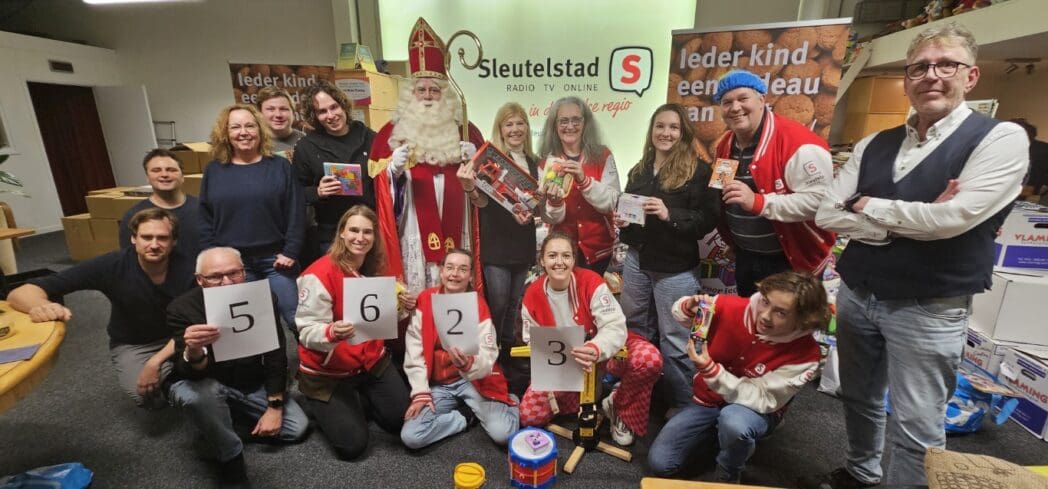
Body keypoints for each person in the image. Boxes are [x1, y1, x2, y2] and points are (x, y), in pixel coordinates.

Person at [805, 23, 1029, 488]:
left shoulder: (999, 139)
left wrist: (867, 204)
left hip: (929, 307)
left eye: (946, 65)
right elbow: (827, 212)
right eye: (919, 67)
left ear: (970, 76)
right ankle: (861, 473)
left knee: (917, 426)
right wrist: (914, 218)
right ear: (906, 79)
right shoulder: (875, 143)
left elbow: (953, 219)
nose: (931, 76)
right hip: (858, 293)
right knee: (859, 398)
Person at [648, 271, 826, 483]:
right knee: (661, 463)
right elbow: (680, 314)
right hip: (707, 398)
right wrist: (689, 306)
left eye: (781, 313)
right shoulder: (731, 306)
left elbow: (763, 399)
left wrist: (711, 370)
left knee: (734, 423)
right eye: (765, 302)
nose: (765, 316)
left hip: (754, 408)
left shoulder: (807, 355)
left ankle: (729, 471)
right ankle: (720, 435)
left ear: (803, 320)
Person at [8, 208, 195, 408]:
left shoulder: (191, 268)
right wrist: (42, 306)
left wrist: (155, 362)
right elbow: (19, 293)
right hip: (135, 343)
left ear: (174, 241)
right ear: (133, 238)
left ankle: (181, 378)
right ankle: (179, 382)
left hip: (180, 334)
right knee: (146, 396)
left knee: (212, 366)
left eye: (162, 238)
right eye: (146, 237)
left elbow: (197, 322)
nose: (154, 244)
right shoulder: (111, 265)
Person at [168, 247, 308, 486]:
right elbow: (189, 371)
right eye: (215, 277)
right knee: (198, 396)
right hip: (205, 380)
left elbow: (275, 353)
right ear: (200, 279)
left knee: (297, 428)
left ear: (244, 272)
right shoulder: (181, 309)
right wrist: (194, 350)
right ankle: (230, 457)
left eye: (234, 273)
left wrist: (274, 406)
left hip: (247, 379)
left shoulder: (263, 297)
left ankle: (219, 426)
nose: (226, 282)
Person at [369, 17, 485, 295]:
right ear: (411, 95)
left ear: (446, 95)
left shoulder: (467, 130)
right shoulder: (390, 133)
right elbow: (380, 192)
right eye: (421, 90)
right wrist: (392, 171)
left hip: (458, 223)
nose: (428, 96)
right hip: (413, 225)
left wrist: (477, 163)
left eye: (435, 90)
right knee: (420, 281)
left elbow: (487, 193)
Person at [617, 103, 720, 409]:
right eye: (660, 126)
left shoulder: (699, 171)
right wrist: (623, 221)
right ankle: (638, 397)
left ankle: (683, 406)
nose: (666, 133)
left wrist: (668, 213)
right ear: (651, 131)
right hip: (637, 261)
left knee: (675, 340)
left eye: (673, 127)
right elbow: (631, 213)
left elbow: (707, 220)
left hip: (674, 269)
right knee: (636, 331)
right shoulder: (640, 168)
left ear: (683, 132)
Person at [518, 232, 661, 446]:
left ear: (573, 259)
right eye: (552, 256)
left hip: (606, 352)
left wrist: (596, 347)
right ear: (542, 260)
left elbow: (614, 325)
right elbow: (531, 340)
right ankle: (586, 393)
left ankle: (619, 405)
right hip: (565, 365)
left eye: (566, 256)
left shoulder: (591, 281)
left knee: (649, 359)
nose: (559, 262)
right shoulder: (532, 293)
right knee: (530, 416)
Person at [294, 205, 410, 460]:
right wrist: (331, 331)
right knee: (352, 446)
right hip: (329, 371)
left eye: (367, 232)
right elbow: (306, 332)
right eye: (354, 230)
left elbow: (378, 320)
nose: (360, 237)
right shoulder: (318, 274)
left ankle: (359, 399)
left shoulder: (375, 267)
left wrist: (402, 308)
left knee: (400, 421)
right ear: (342, 233)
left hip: (370, 361)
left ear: (375, 237)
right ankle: (322, 401)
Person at [711, 69, 835, 297]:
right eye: (727, 102)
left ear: (762, 100)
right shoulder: (725, 144)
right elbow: (723, 194)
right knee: (750, 316)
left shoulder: (798, 141)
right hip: (746, 257)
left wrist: (758, 202)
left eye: (743, 98)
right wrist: (733, 239)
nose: (735, 107)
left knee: (787, 319)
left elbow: (821, 202)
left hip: (790, 262)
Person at [199, 104, 305, 333]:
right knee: (252, 329)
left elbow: (296, 211)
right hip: (233, 267)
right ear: (225, 133)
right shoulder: (214, 170)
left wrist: (291, 251)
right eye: (235, 127)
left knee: (297, 319)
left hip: (277, 261)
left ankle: (311, 358)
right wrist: (213, 257)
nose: (243, 132)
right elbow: (205, 217)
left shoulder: (280, 166)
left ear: (260, 130)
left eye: (250, 126)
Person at [456, 102, 539, 392]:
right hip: (497, 243)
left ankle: (507, 353)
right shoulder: (489, 160)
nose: (515, 129)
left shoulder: (535, 162)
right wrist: (469, 187)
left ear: (527, 127)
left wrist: (534, 210)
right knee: (499, 302)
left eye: (520, 123)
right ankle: (490, 352)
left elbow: (536, 204)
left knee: (515, 304)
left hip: (523, 242)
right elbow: (481, 202)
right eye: (509, 124)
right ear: (500, 129)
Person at [401, 248, 519, 448]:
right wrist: (420, 391)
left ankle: (511, 400)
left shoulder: (478, 305)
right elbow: (414, 350)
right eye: (450, 267)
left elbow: (489, 353)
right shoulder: (425, 299)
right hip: (439, 384)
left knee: (503, 434)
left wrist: (469, 364)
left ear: (470, 275)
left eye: (463, 269)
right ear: (441, 271)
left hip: (472, 380)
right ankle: (465, 416)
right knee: (412, 436)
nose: (455, 274)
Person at [293, 80, 377, 265]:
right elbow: (295, 192)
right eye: (322, 111)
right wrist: (317, 191)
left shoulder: (370, 138)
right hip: (332, 234)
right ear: (314, 116)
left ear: (343, 105)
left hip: (369, 231)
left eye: (334, 107)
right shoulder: (306, 147)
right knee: (337, 281)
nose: (331, 115)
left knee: (373, 279)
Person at [537, 97, 620, 276]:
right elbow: (550, 218)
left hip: (598, 249)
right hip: (562, 251)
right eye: (563, 121)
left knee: (592, 293)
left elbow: (612, 202)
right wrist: (555, 202)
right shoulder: (546, 163)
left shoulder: (603, 155)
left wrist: (584, 180)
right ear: (554, 125)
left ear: (585, 123)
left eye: (576, 120)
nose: (570, 126)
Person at [120, 148, 202, 258]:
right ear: (147, 178)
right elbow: (129, 258)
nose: (164, 174)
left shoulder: (204, 209)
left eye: (171, 170)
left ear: (182, 177)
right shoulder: (134, 215)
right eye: (156, 170)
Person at [256, 86, 305, 158]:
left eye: (283, 109)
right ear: (260, 113)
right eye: (271, 109)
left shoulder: (306, 141)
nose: (278, 115)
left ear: (293, 113)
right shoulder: (254, 144)